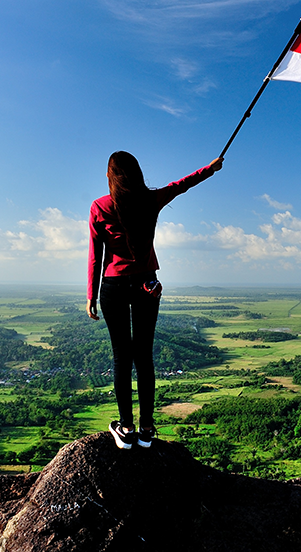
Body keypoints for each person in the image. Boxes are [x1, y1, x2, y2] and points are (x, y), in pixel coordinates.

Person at [86, 151, 223, 449]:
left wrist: (91, 296)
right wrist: (209, 169)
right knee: (144, 356)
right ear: (137, 174)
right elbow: (181, 185)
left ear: (111, 177)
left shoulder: (100, 207)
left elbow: (96, 256)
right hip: (147, 283)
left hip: (113, 285)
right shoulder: (150, 200)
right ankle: (147, 429)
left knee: (122, 357)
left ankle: (126, 428)